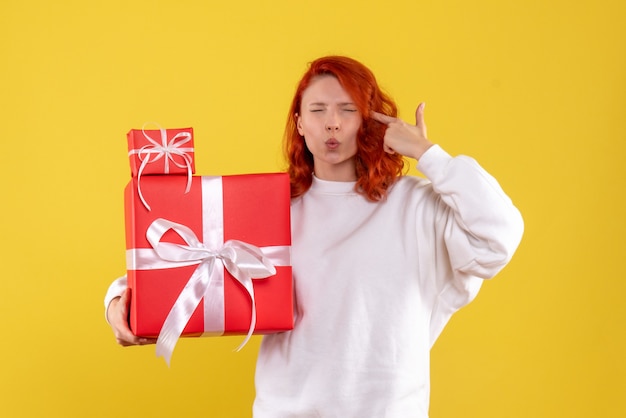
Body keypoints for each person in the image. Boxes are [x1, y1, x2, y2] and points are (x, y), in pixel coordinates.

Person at [105, 55, 524, 417]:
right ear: (300, 123)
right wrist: (117, 307)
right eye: (319, 110)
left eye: (348, 109)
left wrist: (428, 154)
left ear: (371, 121)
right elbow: (168, 266)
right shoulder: (271, 209)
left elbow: (498, 234)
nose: (333, 124)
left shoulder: (415, 205)